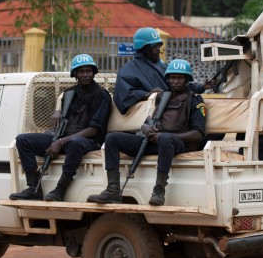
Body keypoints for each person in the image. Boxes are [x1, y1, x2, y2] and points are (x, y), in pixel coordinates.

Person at [88, 59, 206, 206]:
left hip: (178, 144)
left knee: (165, 139)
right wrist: (146, 128)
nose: (175, 81)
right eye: (172, 78)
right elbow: (148, 121)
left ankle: (159, 190)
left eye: (180, 78)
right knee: (112, 138)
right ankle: (112, 190)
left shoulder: (195, 100)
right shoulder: (162, 97)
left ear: (187, 79)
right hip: (155, 141)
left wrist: (167, 136)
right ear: (168, 79)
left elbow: (198, 134)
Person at [9, 54, 111, 202]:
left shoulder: (101, 95)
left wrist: (60, 142)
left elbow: (93, 130)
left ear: (94, 72)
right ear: (74, 74)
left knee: (75, 142)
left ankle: (60, 189)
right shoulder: (69, 93)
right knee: (23, 140)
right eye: (81, 71)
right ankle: (33, 187)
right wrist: (57, 111)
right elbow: (61, 117)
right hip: (63, 138)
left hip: (88, 141)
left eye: (88, 71)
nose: (85, 75)